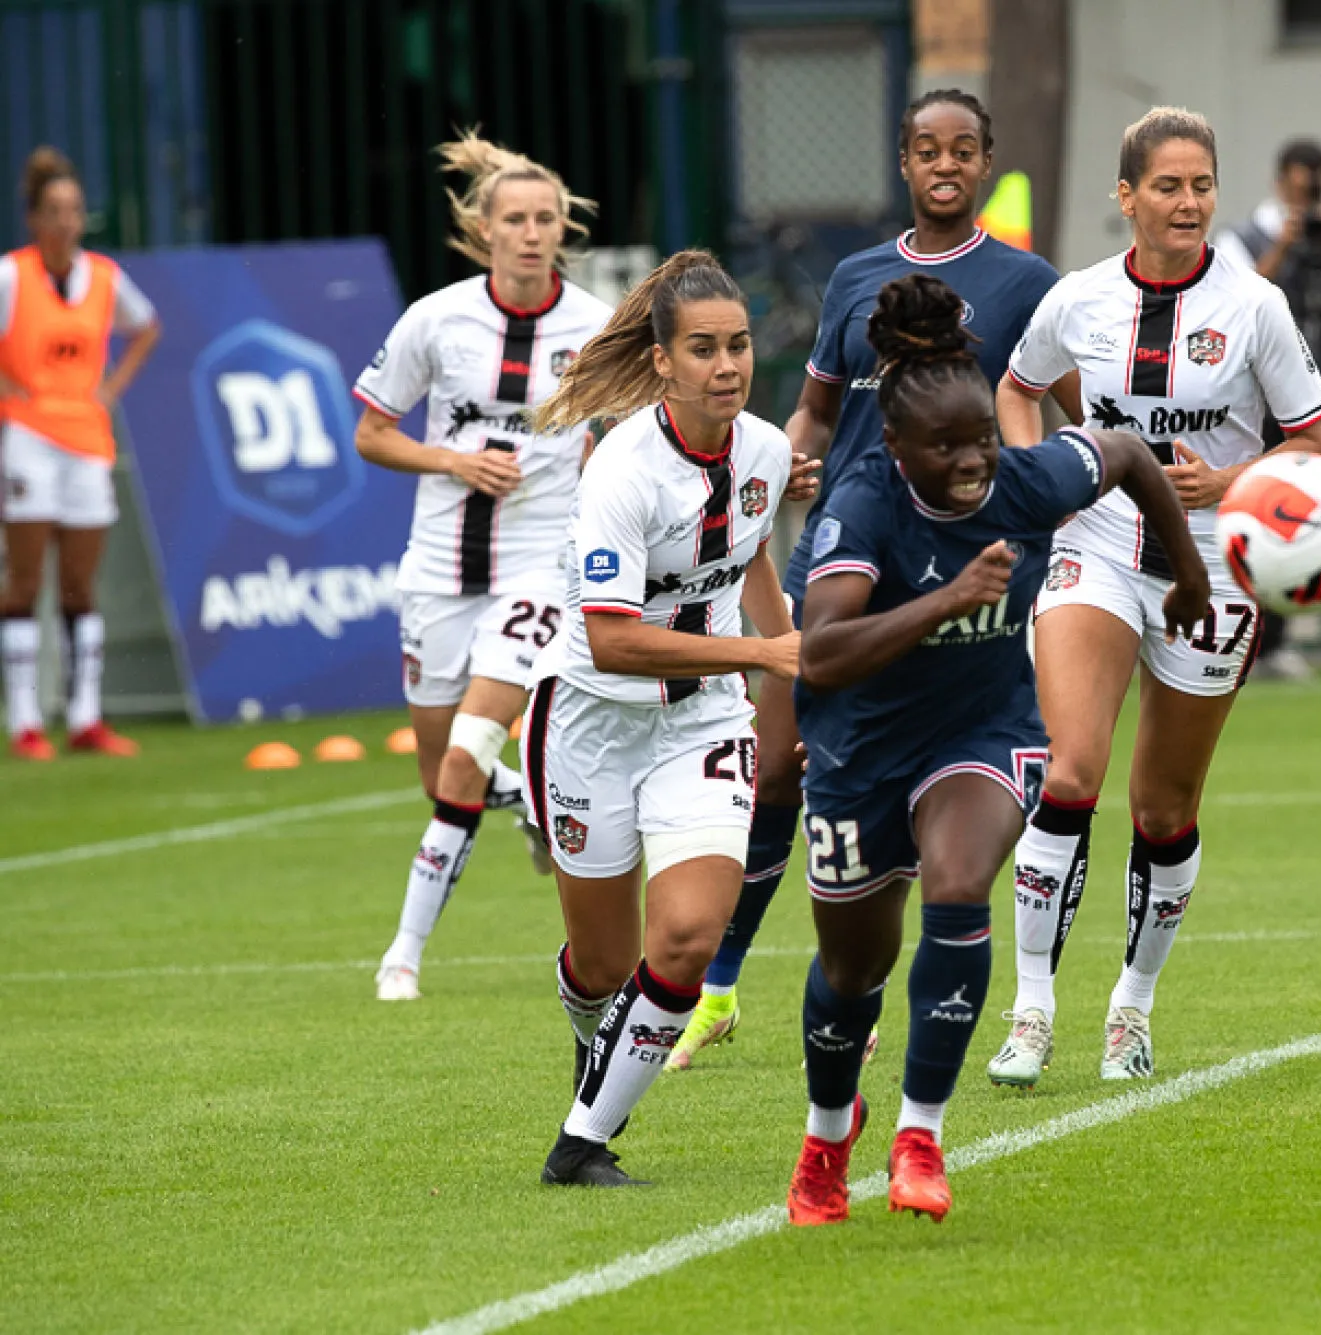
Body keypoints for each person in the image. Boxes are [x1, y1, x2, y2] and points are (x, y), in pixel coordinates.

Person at [665, 88, 1083, 1072]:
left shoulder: (1026, 283)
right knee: (775, 768)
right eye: (927, 149)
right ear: (903, 162)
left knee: (915, 768)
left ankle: (876, 976)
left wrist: (1038, 505)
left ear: (985, 162)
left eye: (963, 149)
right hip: (838, 555)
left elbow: (1067, 406)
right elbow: (813, 413)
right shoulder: (855, 277)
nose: (945, 164)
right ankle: (718, 989)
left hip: (946, 565)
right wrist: (785, 467)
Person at [784, 274, 1206, 1225]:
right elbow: (821, 651)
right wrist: (949, 598)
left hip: (981, 731)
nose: (975, 460)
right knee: (851, 971)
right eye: (948, 447)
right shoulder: (863, 502)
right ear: (897, 447)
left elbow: (1126, 454)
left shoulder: (1020, 480)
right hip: (860, 750)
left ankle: (920, 1136)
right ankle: (826, 1136)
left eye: (982, 437)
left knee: (959, 883)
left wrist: (1186, 572)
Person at [986, 107, 1321, 1088]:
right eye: (1168, 186)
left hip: (1213, 567)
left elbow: (1315, 445)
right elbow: (1017, 387)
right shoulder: (1078, 298)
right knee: (1069, 770)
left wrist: (1226, 482)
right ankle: (1030, 1011)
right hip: (1095, 547)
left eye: (1201, 185)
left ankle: (1130, 1011)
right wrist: (1040, 479)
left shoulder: (1255, 306)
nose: (1188, 203)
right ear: (1126, 196)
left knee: (1163, 804)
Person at [521, 250, 807, 1186]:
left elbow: (749, 555)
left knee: (686, 937)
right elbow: (611, 642)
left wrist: (789, 666)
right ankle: (595, 1038)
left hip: (703, 722)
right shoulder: (621, 470)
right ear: (661, 362)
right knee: (603, 965)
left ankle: (580, 1144)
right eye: (703, 349)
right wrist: (763, 656)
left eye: (739, 345)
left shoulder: (765, 450)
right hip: (591, 722)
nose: (727, 366)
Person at [351, 133, 613, 1002]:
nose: (532, 234)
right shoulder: (435, 319)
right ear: (484, 229)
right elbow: (372, 432)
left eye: (546, 219)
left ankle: (402, 954)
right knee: (442, 776)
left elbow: (629, 430)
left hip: (538, 567)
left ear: (563, 228)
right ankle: (535, 799)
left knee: (467, 753)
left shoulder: (596, 326)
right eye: (516, 220)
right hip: (437, 569)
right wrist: (453, 461)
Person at [1, 147, 162, 760]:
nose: (66, 222)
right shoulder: (12, 276)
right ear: (34, 219)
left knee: (78, 583)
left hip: (87, 439)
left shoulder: (104, 277)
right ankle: (24, 721)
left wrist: (111, 388)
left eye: (74, 210)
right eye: (55, 211)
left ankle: (85, 717)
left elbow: (146, 326)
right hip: (28, 437)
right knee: (24, 580)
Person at [1216, 137, 1321, 682]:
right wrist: (1283, 246)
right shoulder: (1244, 236)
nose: (1308, 189)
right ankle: (1241, 635)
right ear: (1280, 179)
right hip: (1253, 396)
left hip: (1313, 391)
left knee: (1298, 513)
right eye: (1301, 177)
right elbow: (1238, 297)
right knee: (1254, 508)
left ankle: (1277, 640)